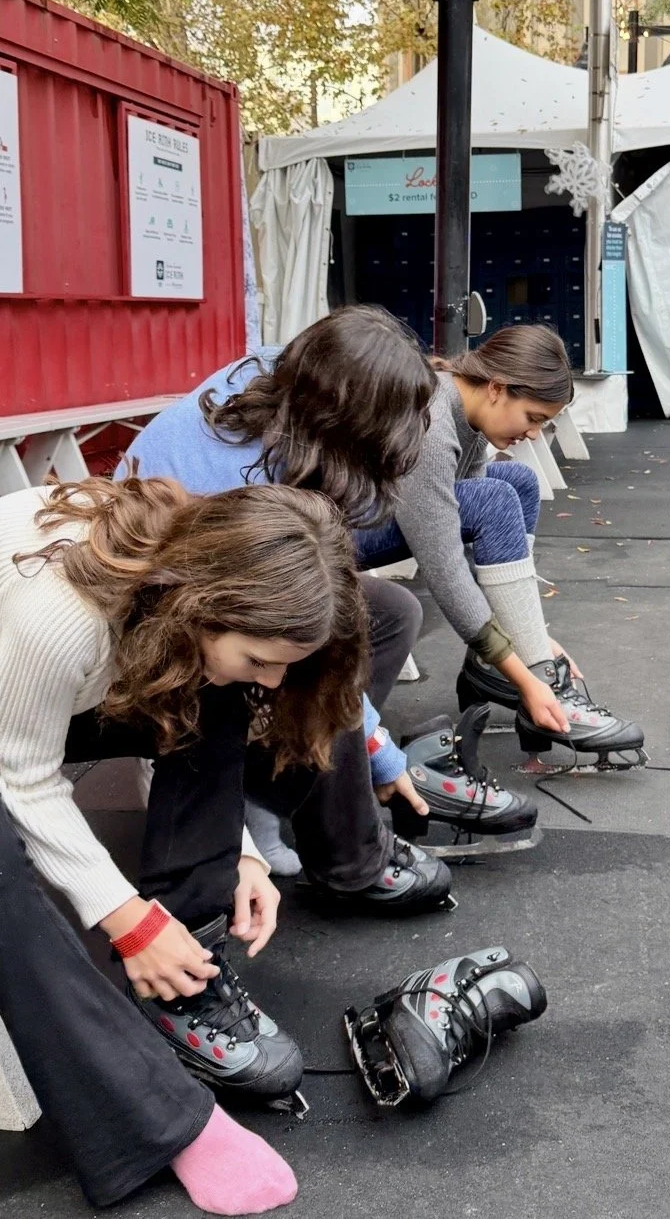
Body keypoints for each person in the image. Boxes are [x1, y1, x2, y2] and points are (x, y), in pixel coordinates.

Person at [0, 475, 370, 1212]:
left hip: (30, 687)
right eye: (261, 657)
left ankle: (184, 981)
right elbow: (19, 770)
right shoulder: (65, 609)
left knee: (217, 698)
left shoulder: (192, 581)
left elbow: (180, 715)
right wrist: (128, 922)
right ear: (200, 604)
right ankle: (162, 1121)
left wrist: (240, 853)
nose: (274, 678)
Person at [121, 305, 527, 901]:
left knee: (391, 613)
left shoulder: (286, 384)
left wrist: (367, 744)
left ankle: (285, 787)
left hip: (218, 584)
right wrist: (381, 755)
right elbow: (314, 635)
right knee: (321, 662)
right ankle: (350, 861)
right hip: (158, 620)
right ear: (347, 419)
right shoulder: (245, 483)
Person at [354, 323, 646, 763]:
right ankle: (535, 673)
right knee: (494, 499)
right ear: (496, 388)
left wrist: (525, 633)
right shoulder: (432, 422)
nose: (534, 434)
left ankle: (492, 666)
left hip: (384, 510)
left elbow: (475, 542)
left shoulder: (467, 414)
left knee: (519, 481)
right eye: (533, 418)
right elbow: (445, 566)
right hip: (336, 531)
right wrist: (527, 675)